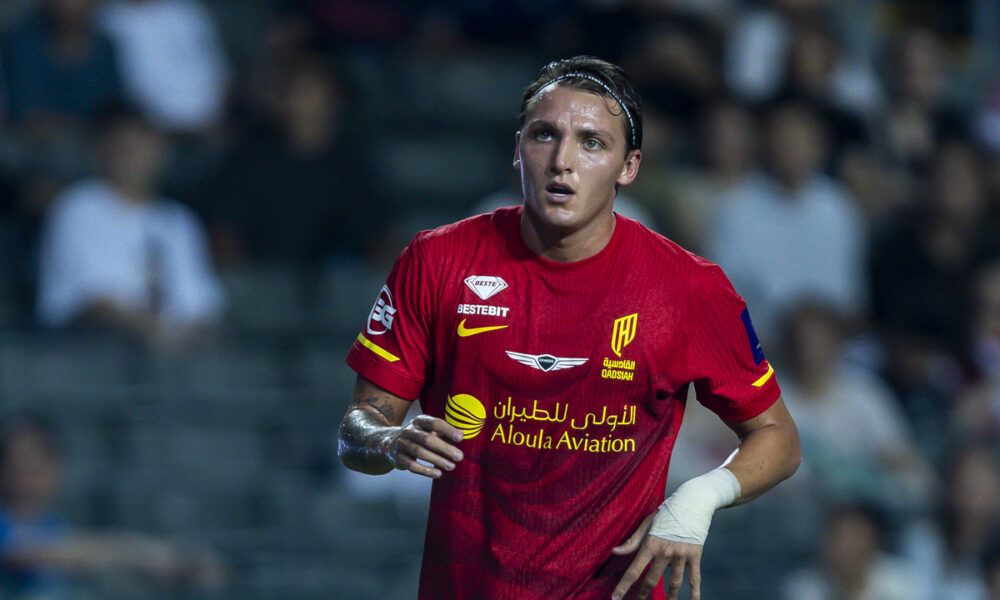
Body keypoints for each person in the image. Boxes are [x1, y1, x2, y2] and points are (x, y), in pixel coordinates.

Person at [337, 56, 801, 600]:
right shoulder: (436, 260)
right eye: (544, 135)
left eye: (591, 143)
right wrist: (389, 440)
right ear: (517, 149)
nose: (562, 161)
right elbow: (356, 433)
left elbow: (780, 439)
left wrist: (698, 498)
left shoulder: (690, 288)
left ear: (628, 167)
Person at [36, 102, 224, 348]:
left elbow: (202, 306)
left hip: (171, 355)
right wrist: (154, 333)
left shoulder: (179, 220)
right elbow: (94, 302)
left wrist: (176, 338)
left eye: (142, 144)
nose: (133, 156)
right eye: (123, 147)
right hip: (86, 350)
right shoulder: (78, 207)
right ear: (100, 150)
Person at [0, 412, 225, 596]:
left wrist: (173, 566)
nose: (25, 474)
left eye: (37, 465)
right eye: (16, 463)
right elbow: (34, 552)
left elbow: (70, 549)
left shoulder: (53, 525)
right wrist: (137, 553)